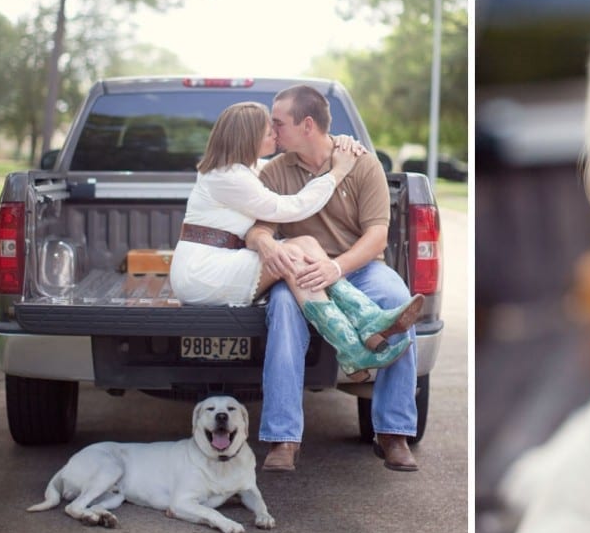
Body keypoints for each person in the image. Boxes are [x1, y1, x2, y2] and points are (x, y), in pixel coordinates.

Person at [169, 101, 421, 378]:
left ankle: (360, 330)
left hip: (216, 262)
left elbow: (293, 160)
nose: (275, 136)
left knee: (304, 244)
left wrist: (338, 144)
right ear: (249, 139)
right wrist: (337, 172)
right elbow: (291, 208)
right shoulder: (229, 178)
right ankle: (357, 334)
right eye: (268, 133)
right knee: (295, 252)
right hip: (204, 273)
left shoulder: (239, 170)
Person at [247, 85, 423, 473]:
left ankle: (393, 433)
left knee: (398, 298)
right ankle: (283, 439)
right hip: (302, 274)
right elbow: (258, 228)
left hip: (357, 268)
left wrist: (337, 267)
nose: (273, 132)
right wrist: (265, 245)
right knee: (282, 311)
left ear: (307, 125)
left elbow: (376, 235)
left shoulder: (361, 163)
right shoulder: (275, 171)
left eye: (279, 123)